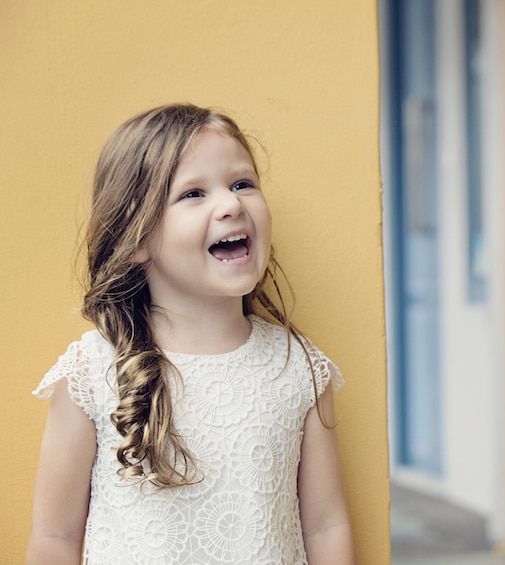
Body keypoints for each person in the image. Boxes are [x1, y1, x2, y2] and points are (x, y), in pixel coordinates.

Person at [26, 104, 356, 565]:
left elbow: (325, 524)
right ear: (136, 238)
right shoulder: (93, 372)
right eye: (194, 193)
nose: (231, 204)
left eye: (242, 183)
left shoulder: (298, 367)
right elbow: (56, 537)